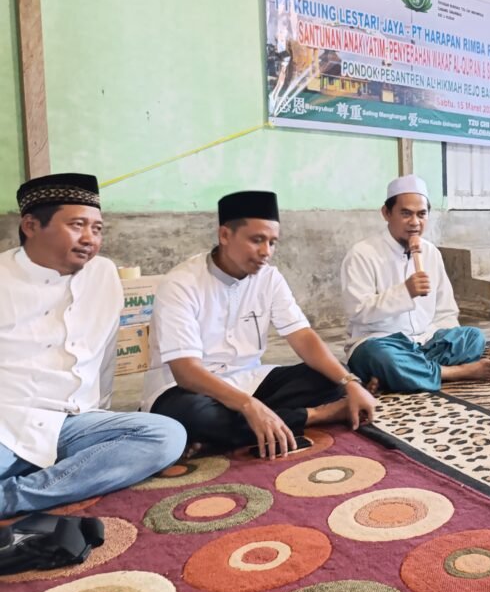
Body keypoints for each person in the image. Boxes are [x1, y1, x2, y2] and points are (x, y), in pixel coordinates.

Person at [1, 173, 186, 518]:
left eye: (98, 229)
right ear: (30, 225)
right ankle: (59, 476)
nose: (90, 239)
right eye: (77, 225)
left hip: (74, 423)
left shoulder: (102, 274)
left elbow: (104, 360)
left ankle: (13, 497)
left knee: (166, 436)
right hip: (7, 425)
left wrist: (102, 417)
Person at [143, 191, 376, 459]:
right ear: (225, 235)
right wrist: (248, 405)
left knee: (332, 376)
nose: (266, 252)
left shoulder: (270, 278)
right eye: (257, 240)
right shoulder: (181, 283)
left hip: (249, 379)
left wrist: (350, 383)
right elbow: (186, 372)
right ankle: (317, 415)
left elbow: (302, 336)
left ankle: (228, 435)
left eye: (273, 242)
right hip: (187, 390)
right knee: (194, 417)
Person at [340, 175, 490, 393]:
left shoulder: (431, 252)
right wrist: (405, 292)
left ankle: (401, 375)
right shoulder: (363, 253)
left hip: (425, 343)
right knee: (382, 357)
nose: (415, 222)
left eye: (421, 214)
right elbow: (358, 312)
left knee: (473, 338)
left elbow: (446, 310)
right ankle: (456, 372)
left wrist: (445, 339)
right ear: (386, 213)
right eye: (406, 214)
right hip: (380, 342)